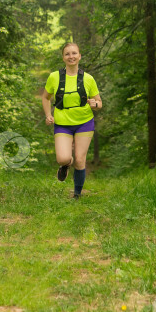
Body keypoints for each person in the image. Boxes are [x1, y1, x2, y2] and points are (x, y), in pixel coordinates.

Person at [41, 42, 102, 199]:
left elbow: (99, 103)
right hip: (62, 124)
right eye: (67, 54)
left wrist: (95, 104)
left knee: (80, 160)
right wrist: (48, 114)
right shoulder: (54, 77)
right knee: (63, 158)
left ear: (79, 56)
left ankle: (77, 194)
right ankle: (65, 165)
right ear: (63, 57)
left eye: (74, 53)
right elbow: (46, 97)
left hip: (84, 123)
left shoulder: (88, 79)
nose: (71, 56)